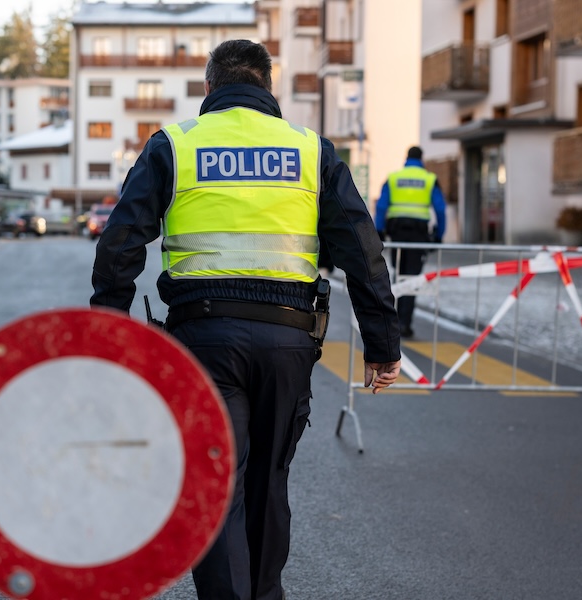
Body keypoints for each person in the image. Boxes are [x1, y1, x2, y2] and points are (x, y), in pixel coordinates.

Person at [90, 40, 402, 600]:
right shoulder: (311, 150)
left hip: (203, 339)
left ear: (210, 87)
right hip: (288, 339)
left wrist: (109, 332)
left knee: (216, 484)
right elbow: (362, 249)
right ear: (268, 89)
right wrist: (383, 343)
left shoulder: (176, 144)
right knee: (268, 481)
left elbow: (120, 242)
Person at [374, 146, 447, 338]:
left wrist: (379, 231)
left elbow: (381, 206)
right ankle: (404, 324)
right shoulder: (429, 179)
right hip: (418, 235)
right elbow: (440, 210)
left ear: (406, 158)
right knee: (412, 279)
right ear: (421, 159)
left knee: (398, 275)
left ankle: (392, 323)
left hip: (397, 233)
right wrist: (439, 235)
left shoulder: (394, 178)